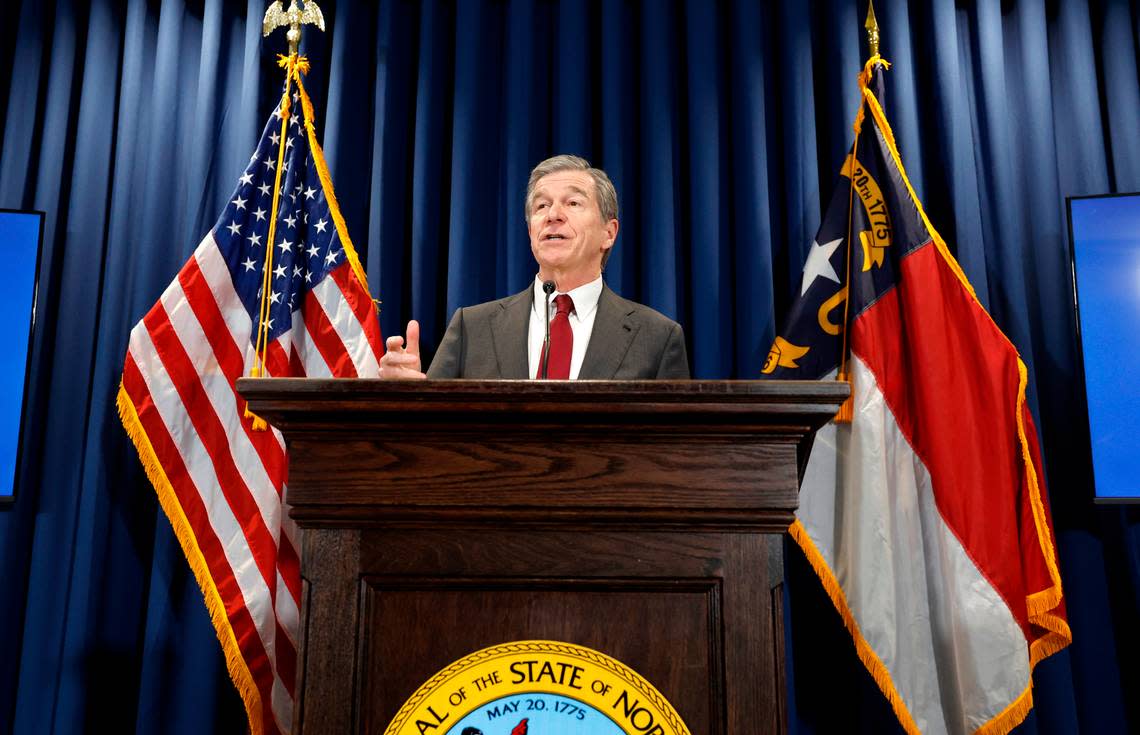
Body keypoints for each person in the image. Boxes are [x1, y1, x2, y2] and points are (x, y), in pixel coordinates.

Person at [379, 154, 689, 380]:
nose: (553, 214)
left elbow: (676, 455)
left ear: (609, 233)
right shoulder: (471, 328)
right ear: (531, 232)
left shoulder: (657, 338)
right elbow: (429, 440)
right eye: (541, 205)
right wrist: (403, 398)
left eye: (573, 203)